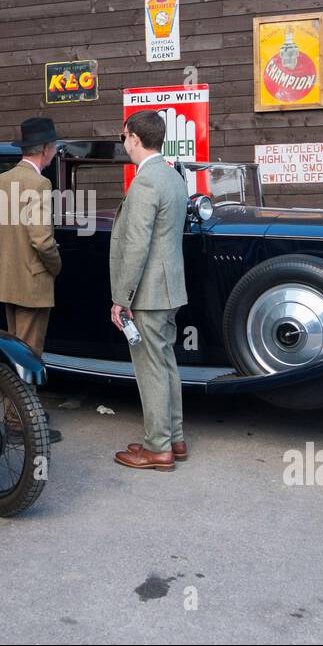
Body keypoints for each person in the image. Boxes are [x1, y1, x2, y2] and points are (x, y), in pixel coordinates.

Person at [110, 111, 189, 472]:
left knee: (152, 369)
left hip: (147, 293)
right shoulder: (173, 177)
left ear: (136, 139)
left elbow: (136, 245)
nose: (124, 143)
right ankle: (174, 438)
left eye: (124, 137)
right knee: (167, 363)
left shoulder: (144, 183)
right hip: (170, 289)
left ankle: (157, 448)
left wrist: (121, 299)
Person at [0, 117, 62, 442]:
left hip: (5, 280)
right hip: (31, 282)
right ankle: (17, 423)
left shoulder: (0, 181)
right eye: (54, 147)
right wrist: (55, 266)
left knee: (13, 350)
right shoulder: (39, 185)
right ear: (46, 150)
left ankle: (16, 413)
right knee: (29, 353)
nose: (55, 152)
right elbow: (42, 240)